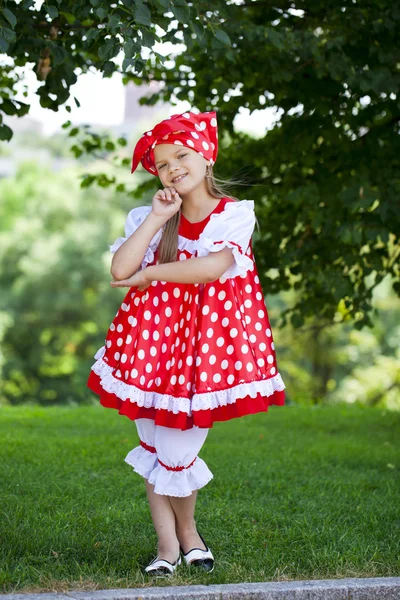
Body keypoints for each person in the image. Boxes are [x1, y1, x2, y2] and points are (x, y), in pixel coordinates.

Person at [87, 110, 286, 577]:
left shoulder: (233, 214)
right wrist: (158, 218)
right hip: (150, 349)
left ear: (206, 157)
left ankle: (189, 531)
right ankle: (167, 545)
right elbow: (120, 271)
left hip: (202, 353)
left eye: (181, 154)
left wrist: (152, 273)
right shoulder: (153, 214)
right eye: (161, 163)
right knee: (155, 445)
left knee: (177, 452)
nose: (173, 166)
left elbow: (210, 269)